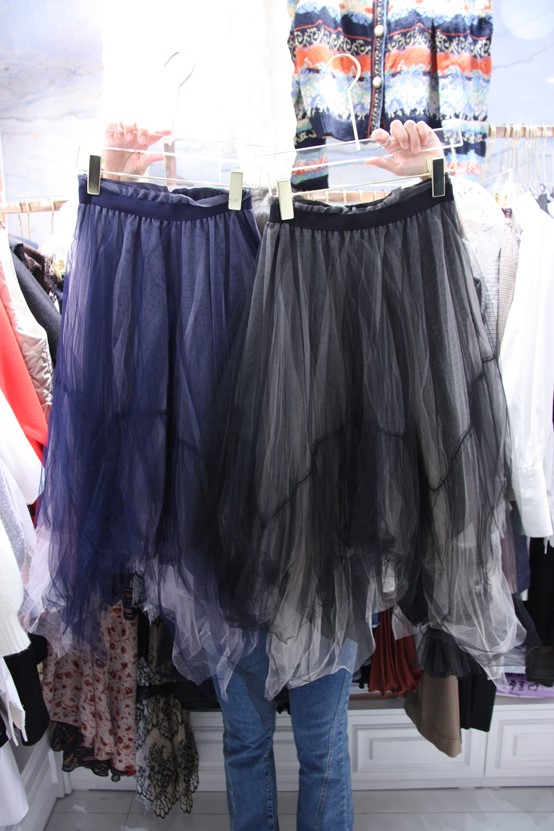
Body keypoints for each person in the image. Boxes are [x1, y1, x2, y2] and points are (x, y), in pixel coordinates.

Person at [94, 119, 445, 831]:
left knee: (319, 748)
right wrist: (120, 188)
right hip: (227, 561)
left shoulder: (333, 254)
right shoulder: (196, 256)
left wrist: (430, 181)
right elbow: (125, 329)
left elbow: (419, 288)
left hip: (325, 559)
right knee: (254, 743)